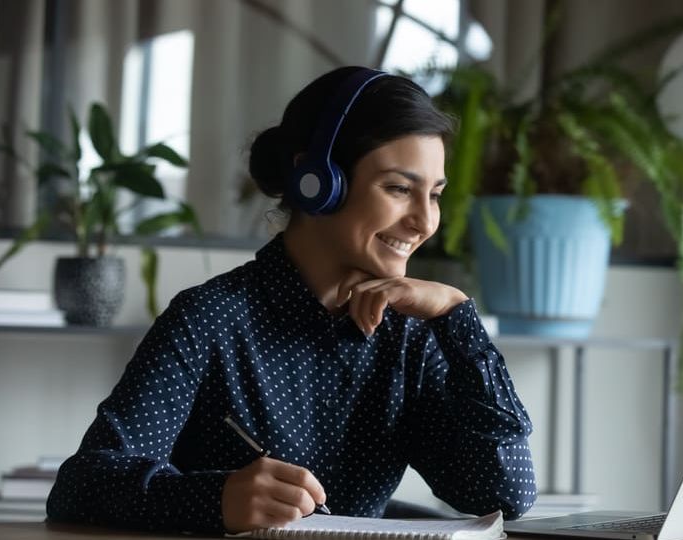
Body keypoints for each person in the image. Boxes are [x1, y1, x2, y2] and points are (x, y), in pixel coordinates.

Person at [46, 66, 537, 534]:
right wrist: (217, 500)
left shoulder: (411, 335)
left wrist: (456, 315)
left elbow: (506, 493)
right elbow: (81, 487)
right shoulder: (209, 319)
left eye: (434, 195)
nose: (424, 222)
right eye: (398, 189)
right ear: (317, 181)